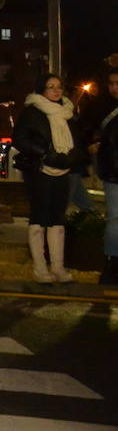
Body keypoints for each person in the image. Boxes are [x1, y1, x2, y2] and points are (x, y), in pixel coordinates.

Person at [13, 73, 80, 284]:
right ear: (42, 89)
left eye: (59, 87)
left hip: (63, 170)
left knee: (57, 217)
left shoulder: (68, 113)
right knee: (39, 216)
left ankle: (58, 267)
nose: (56, 90)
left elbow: (78, 139)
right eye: (50, 86)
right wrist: (44, 153)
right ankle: (40, 268)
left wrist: (72, 156)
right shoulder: (32, 112)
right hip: (39, 170)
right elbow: (20, 139)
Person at [90, 67, 118, 284]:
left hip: (111, 171)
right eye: (111, 83)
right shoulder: (103, 108)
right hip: (113, 173)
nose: (114, 88)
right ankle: (112, 263)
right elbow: (87, 130)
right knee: (114, 220)